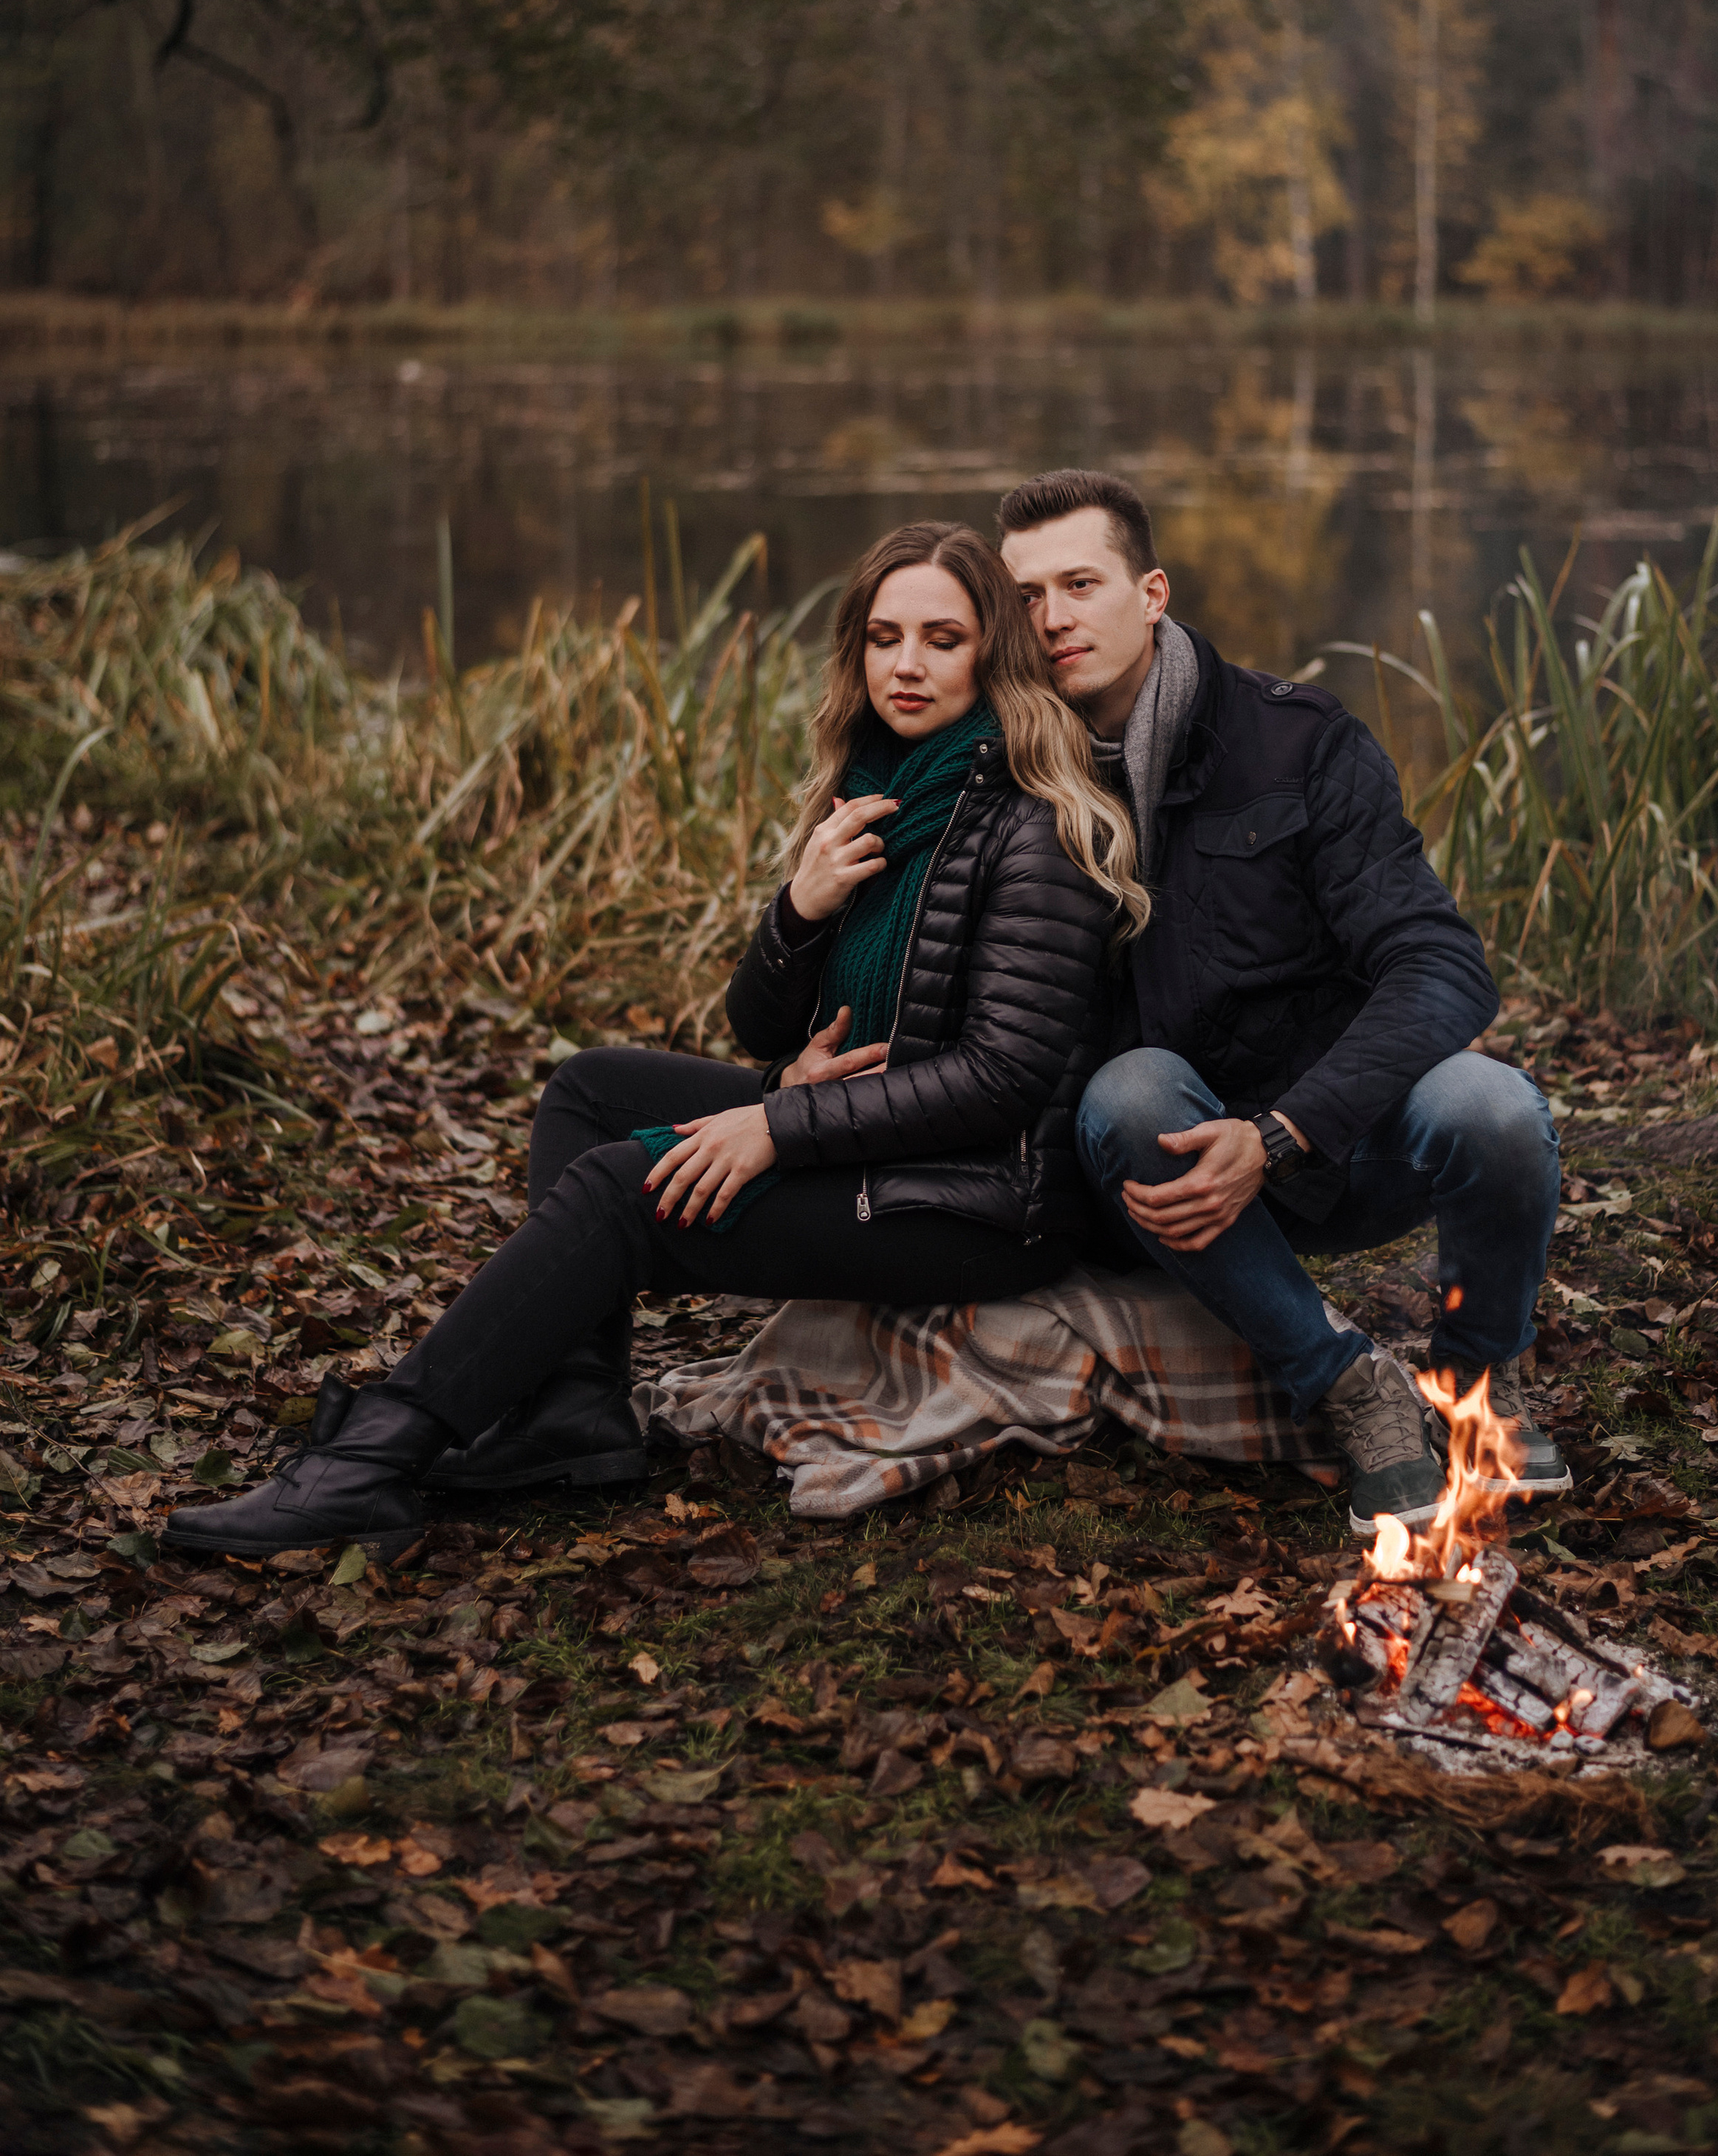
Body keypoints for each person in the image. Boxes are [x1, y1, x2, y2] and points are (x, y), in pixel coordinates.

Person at [162, 523, 1144, 1563]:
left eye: (942, 638)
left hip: (981, 1200)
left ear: (993, 653)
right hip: (877, 1135)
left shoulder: (1040, 822)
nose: (905, 664)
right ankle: (575, 1412)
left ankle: (371, 1459)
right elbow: (763, 1029)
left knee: (621, 1188)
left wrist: (781, 1122)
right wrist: (800, 910)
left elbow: (1004, 1079)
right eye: (883, 635)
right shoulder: (877, 795)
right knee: (588, 1092)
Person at [995, 468, 1569, 1541]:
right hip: (1176, 1170)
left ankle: (1480, 1381)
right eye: (1025, 595)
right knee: (1129, 1091)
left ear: (1152, 591)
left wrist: (1286, 1130)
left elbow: (1443, 965)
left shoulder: (1296, 739)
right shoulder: (1014, 775)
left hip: (1347, 1131)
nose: (1053, 617)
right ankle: (1352, 1387)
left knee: (1494, 1108)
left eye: (1079, 582)